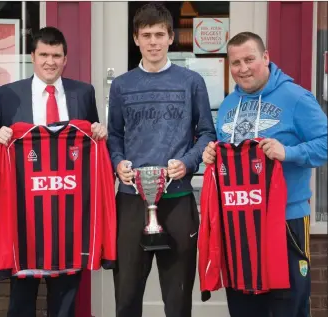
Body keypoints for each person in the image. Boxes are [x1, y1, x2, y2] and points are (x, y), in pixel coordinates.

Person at [0, 26, 107, 317]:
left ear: (65, 58)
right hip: (25, 217)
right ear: (33, 56)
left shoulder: (83, 93)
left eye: (57, 55)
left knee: (64, 304)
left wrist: (99, 131)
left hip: (70, 216)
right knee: (21, 302)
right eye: (44, 55)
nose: (51, 61)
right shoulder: (8, 94)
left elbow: (91, 146)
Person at [202, 31, 328, 317]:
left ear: (266, 57)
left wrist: (289, 153)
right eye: (236, 63)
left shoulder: (296, 97)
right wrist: (211, 156)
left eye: (250, 59)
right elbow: (226, 155)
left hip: (286, 220)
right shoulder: (228, 107)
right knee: (245, 306)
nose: (243, 69)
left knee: (288, 305)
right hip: (240, 224)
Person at [106, 4, 216, 317]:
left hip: (178, 198)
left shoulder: (191, 81)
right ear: (136, 39)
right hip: (130, 201)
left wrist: (188, 162)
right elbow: (114, 135)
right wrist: (118, 162)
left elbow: (207, 134)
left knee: (178, 297)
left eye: (159, 35)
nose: (153, 41)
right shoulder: (123, 85)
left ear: (170, 37)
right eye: (146, 35)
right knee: (127, 294)